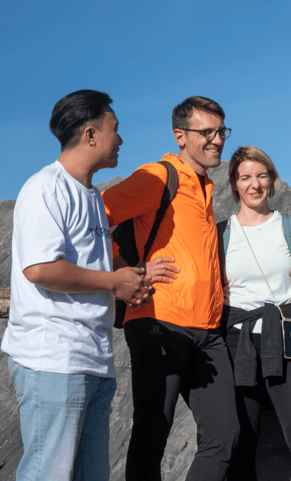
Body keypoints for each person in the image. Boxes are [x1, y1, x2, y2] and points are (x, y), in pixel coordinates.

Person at [1, 89, 150, 481]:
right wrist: (113, 281)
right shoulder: (45, 188)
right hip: (52, 357)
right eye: (114, 129)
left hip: (93, 356)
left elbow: (97, 261)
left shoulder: (93, 198)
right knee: (47, 473)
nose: (120, 139)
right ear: (90, 134)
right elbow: (40, 268)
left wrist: (133, 274)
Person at [101, 96, 239, 481]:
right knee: (152, 434)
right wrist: (123, 272)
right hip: (159, 322)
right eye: (206, 132)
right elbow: (95, 215)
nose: (216, 140)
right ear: (180, 135)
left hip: (207, 332)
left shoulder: (205, 188)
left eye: (221, 131)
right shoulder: (159, 177)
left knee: (224, 435)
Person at [217, 146, 291, 480]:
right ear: (234, 184)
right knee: (243, 445)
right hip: (236, 344)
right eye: (246, 177)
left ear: (272, 180)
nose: (255, 184)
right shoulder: (221, 232)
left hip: (288, 339)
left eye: (262, 176)